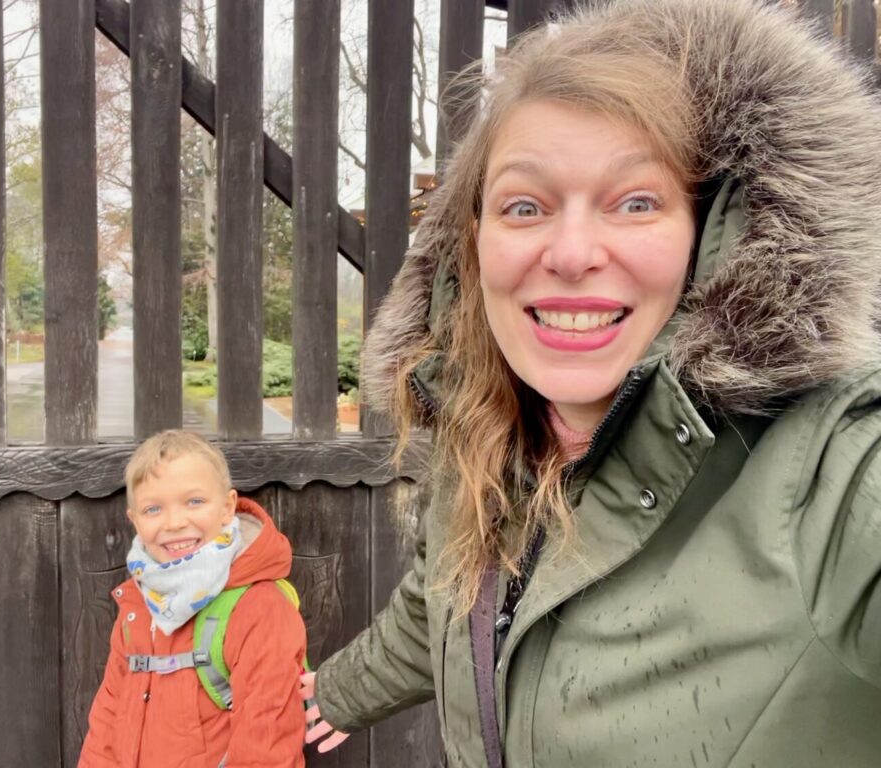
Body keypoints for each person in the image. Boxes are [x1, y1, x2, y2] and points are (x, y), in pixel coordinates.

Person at [301, 0, 881, 765]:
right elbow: (444, 602)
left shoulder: (834, 471)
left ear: (713, 236)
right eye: (525, 205)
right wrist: (337, 693)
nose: (571, 252)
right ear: (472, 246)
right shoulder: (485, 441)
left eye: (635, 202)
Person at [80, 429, 307, 767]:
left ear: (227, 507)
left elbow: (268, 743)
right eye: (153, 509)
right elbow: (109, 716)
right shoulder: (139, 604)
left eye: (195, 502)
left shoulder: (259, 608)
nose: (174, 522)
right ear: (135, 521)